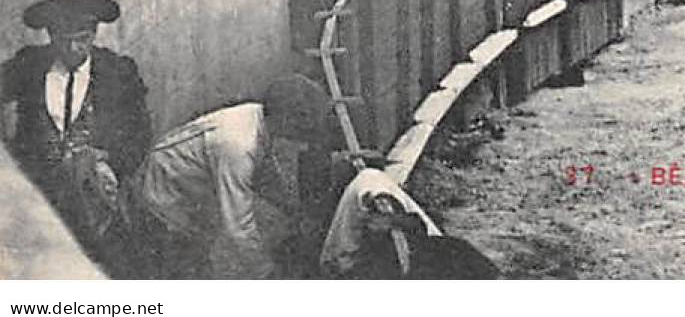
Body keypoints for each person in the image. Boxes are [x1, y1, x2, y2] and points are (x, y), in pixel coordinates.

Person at [133, 74, 338, 278]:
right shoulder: (238, 145)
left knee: (196, 258)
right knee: (181, 268)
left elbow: (264, 173)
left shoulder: (259, 117)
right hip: (162, 194)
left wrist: (290, 209)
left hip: (184, 188)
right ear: (286, 120)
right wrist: (266, 272)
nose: (305, 134)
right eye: (303, 126)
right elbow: (238, 225)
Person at [2, 0, 150, 267]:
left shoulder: (118, 72)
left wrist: (108, 160)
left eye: (81, 38)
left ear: (93, 34)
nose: (72, 48)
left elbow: (139, 134)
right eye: (62, 40)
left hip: (96, 197)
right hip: (40, 194)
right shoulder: (30, 65)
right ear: (50, 36)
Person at [320, 167, 498, 278]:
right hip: (349, 266)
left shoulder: (371, 184)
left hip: (359, 256)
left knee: (456, 251)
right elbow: (379, 224)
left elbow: (414, 226)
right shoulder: (372, 194)